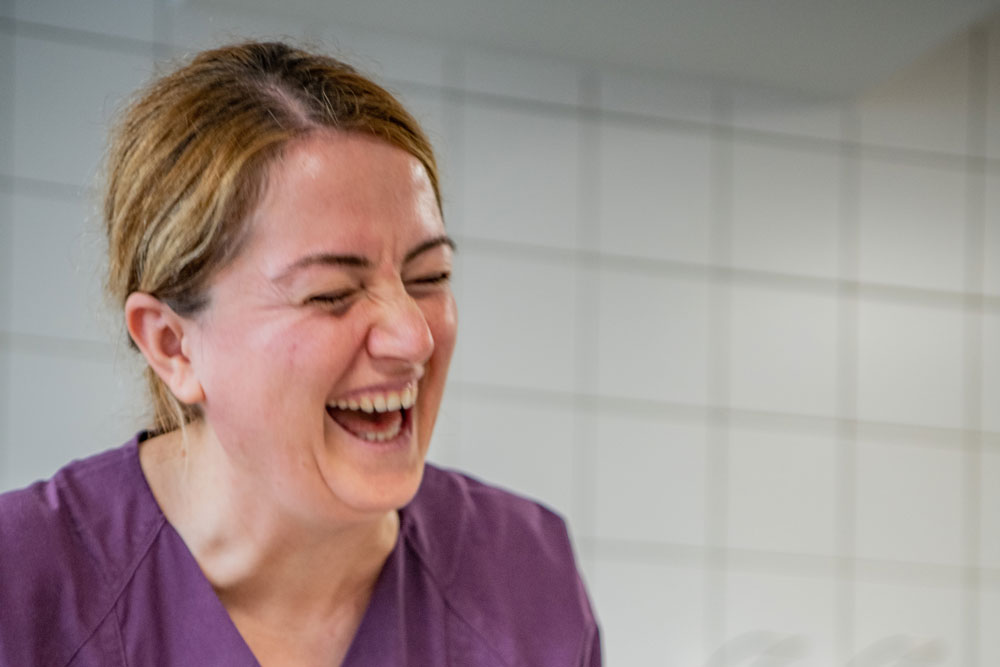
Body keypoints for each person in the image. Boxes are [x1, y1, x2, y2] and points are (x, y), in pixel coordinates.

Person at [0, 41, 600, 666]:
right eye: (331, 293)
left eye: (430, 278)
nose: (414, 338)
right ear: (172, 345)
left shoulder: (525, 578)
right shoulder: (21, 588)